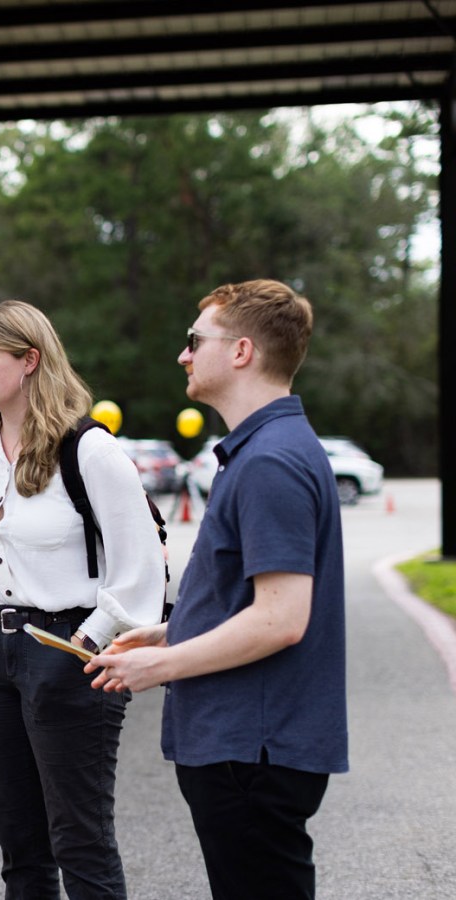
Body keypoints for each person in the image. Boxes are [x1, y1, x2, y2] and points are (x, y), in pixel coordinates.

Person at [87, 279, 346, 900]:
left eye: (194, 340)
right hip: (249, 745)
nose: (184, 354)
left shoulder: (269, 463)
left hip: (251, 748)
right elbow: (252, 603)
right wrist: (173, 631)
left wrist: (164, 664)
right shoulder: (267, 450)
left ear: (241, 352)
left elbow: (282, 619)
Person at [0, 299, 165, 899]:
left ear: (30, 360)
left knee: (80, 841)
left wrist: (87, 639)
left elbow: (141, 568)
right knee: (20, 845)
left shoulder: (89, 450)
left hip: (68, 650)